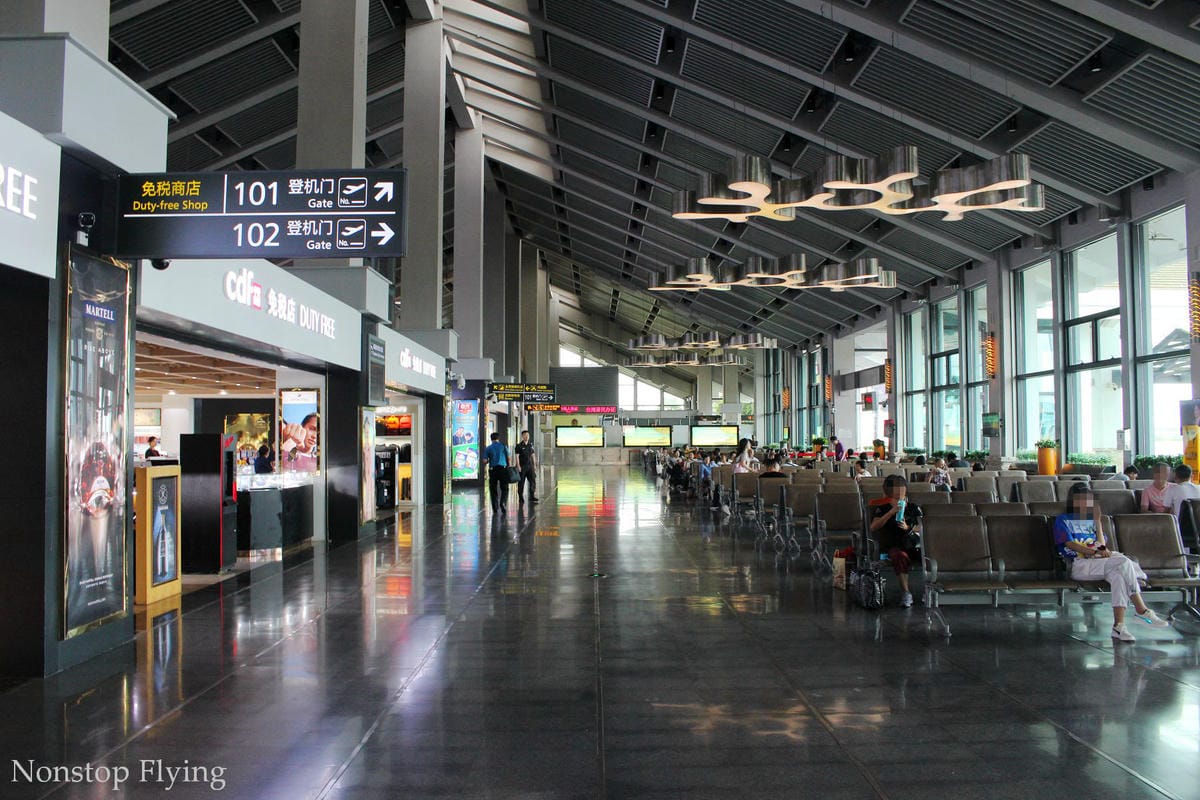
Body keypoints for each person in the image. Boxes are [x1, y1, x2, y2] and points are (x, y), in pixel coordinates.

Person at [1054, 483, 1167, 641]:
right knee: (1123, 563)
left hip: (1099, 562)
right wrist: (1093, 552)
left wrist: (1098, 522)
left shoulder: (1091, 521)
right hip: (1079, 565)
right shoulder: (1063, 520)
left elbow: (1102, 546)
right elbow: (1069, 544)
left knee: (1119, 576)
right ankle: (1141, 609)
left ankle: (1118, 627)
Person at [869, 475, 921, 608]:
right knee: (899, 556)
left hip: (914, 544)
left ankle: (930, 589)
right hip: (894, 546)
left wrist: (908, 528)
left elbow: (924, 526)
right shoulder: (882, 508)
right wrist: (890, 513)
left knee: (931, 553)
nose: (899, 499)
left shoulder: (914, 507)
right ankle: (906, 592)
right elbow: (873, 527)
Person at [483, 432, 511, 516]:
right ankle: (503, 503)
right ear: (498, 438)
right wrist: (508, 466)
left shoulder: (488, 448)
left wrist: (489, 460)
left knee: (493, 488)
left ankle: (495, 508)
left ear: (491, 439)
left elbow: (484, 461)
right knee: (505, 488)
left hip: (493, 470)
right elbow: (509, 458)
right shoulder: (503, 446)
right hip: (503, 469)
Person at [514, 430, 539, 504]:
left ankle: (532, 495)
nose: (527, 436)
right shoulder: (519, 446)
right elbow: (517, 457)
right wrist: (518, 466)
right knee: (521, 482)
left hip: (530, 466)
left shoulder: (530, 445)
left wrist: (534, 465)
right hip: (522, 466)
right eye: (525, 435)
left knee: (532, 480)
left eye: (528, 435)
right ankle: (520, 497)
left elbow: (533, 455)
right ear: (522, 436)